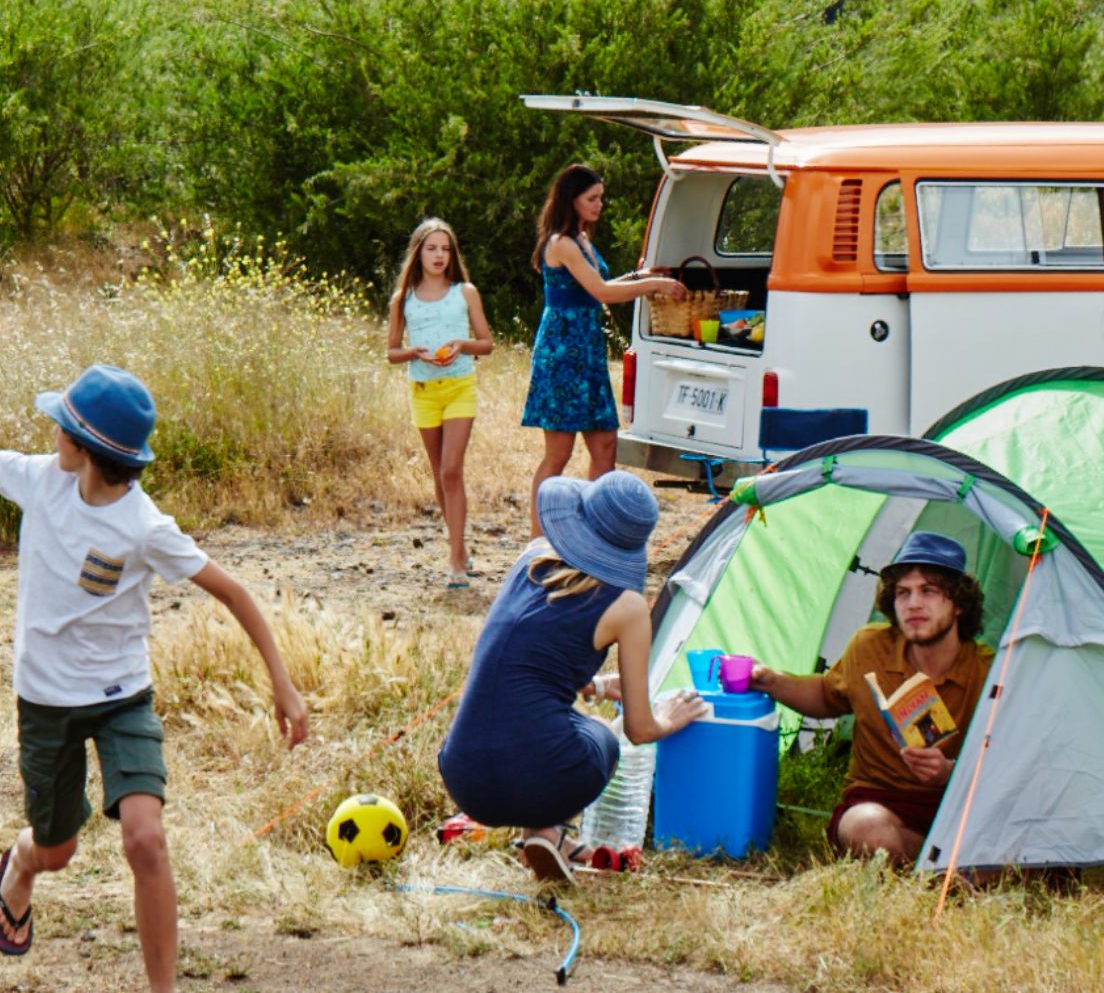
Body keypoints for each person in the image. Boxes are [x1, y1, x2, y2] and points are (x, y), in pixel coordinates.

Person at [0, 345, 310, 993]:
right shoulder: (41, 480)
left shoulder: (145, 526)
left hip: (124, 695)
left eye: (60, 426)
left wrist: (283, 685)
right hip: (45, 699)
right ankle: (22, 860)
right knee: (58, 850)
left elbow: (235, 592)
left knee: (145, 840)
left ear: (87, 448)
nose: (51, 435)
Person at [436, 470, 709, 885]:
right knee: (599, 732)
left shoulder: (529, 559)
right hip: (545, 778)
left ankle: (544, 839)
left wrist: (599, 685)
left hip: (464, 778)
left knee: (544, 724)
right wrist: (670, 717)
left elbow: (527, 661)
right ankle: (548, 830)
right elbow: (638, 729)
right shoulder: (628, 607)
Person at [742, 532, 992, 867]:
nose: (913, 603)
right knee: (868, 830)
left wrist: (950, 772)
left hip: (958, 804)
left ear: (959, 603)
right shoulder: (869, 646)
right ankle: (945, 865)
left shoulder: (988, 669)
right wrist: (772, 682)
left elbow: (1012, 761)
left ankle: (941, 861)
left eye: (929, 591)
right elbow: (828, 695)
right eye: (903, 593)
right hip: (879, 803)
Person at [520, 164, 683, 529]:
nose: (599, 205)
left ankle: (592, 533)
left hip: (588, 351)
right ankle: (538, 537)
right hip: (563, 351)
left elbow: (596, 286)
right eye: (592, 199)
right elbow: (602, 293)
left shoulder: (582, 240)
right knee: (558, 453)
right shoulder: (561, 243)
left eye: (600, 198)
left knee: (605, 445)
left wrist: (640, 277)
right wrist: (651, 285)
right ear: (571, 200)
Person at [384, 218, 496, 587]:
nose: (439, 255)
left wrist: (461, 345)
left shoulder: (465, 292)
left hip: (459, 386)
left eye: (445, 249)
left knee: (451, 470)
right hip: (423, 391)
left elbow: (487, 343)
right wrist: (415, 352)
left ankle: (455, 560)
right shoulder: (403, 299)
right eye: (431, 248)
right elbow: (391, 352)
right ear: (418, 253)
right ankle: (460, 547)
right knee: (439, 474)